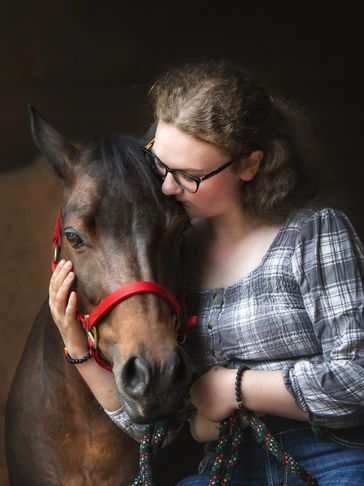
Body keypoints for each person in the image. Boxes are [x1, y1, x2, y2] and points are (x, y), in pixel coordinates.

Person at [49, 60, 364, 484]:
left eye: (189, 176)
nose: (166, 187)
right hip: (227, 469)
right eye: (160, 165)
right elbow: (150, 431)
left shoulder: (313, 234)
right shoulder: (172, 256)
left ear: (250, 165)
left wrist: (236, 388)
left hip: (331, 460)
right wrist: (78, 346)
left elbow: (357, 378)